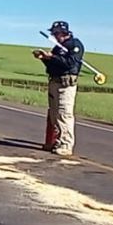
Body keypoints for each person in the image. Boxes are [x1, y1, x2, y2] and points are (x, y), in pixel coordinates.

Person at [33, 20, 84, 156]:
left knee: (64, 114)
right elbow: (52, 66)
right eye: (54, 33)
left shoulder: (74, 45)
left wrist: (52, 57)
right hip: (54, 82)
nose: (55, 36)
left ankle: (66, 144)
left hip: (65, 85)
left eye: (57, 33)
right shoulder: (57, 47)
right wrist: (44, 58)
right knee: (54, 115)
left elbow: (70, 63)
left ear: (64, 32)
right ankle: (57, 141)